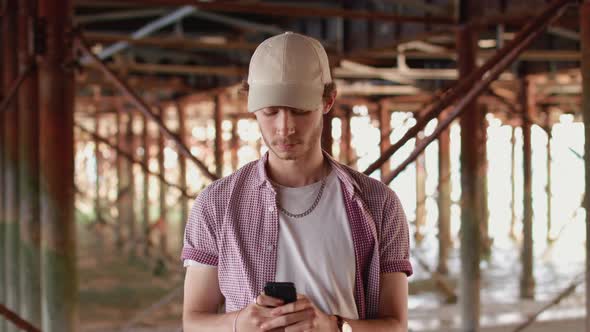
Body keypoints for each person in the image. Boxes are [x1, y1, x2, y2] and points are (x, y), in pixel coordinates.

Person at [181, 31, 413, 332]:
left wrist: (334, 327)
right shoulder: (215, 204)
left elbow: (396, 325)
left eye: (300, 111)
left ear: (328, 101)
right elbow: (193, 321)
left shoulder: (378, 204)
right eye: (271, 112)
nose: (285, 127)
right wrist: (240, 323)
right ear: (252, 106)